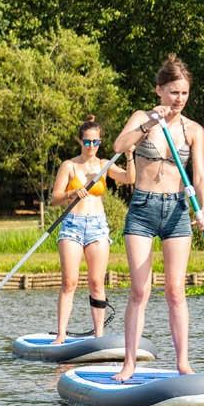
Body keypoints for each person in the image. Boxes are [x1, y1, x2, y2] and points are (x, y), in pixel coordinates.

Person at [111, 55, 204, 380]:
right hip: (143, 208)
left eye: (183, 93)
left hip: (177, 210)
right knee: (140, 291)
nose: (178, 99)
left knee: (175, 291)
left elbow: (200, 177)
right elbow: (119, 144)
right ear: (159, 90)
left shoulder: (194, 129)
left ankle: (183, 363)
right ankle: (129, 364)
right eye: (172, 92)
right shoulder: (142, 117)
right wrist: (150, 122)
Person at [50, 115, 134, 341]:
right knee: (70, 282)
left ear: (100, 142)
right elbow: (54, 199)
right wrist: (70, 193)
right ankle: (60, 335)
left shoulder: (104, 164)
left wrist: (129, 156)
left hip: (97, 226)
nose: (91, 147)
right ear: (80, 141)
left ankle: (99, 335)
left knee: (97, 282)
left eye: (95, 142)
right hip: (72, 226)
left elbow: (128, 178)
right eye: (87, 142)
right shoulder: (69, 166)